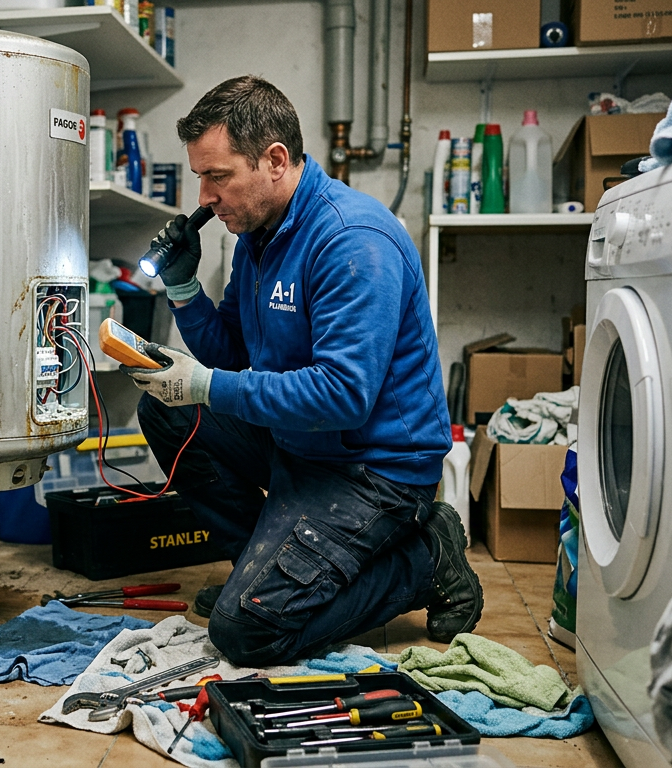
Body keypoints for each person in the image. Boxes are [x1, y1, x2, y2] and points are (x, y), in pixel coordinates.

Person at [121, 76, 482, 666]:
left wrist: (206, 385)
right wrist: (183, 289)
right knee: (167, 411)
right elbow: (231, 357)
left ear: (275, 160)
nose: (205, 198)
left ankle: (425, 560)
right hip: (302, 445)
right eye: (200, 178)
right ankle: (260, 571)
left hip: (372, 471)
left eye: (218, 176)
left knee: (247, 634)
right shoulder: (258, 238)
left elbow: (343, 395)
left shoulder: (351, 240)